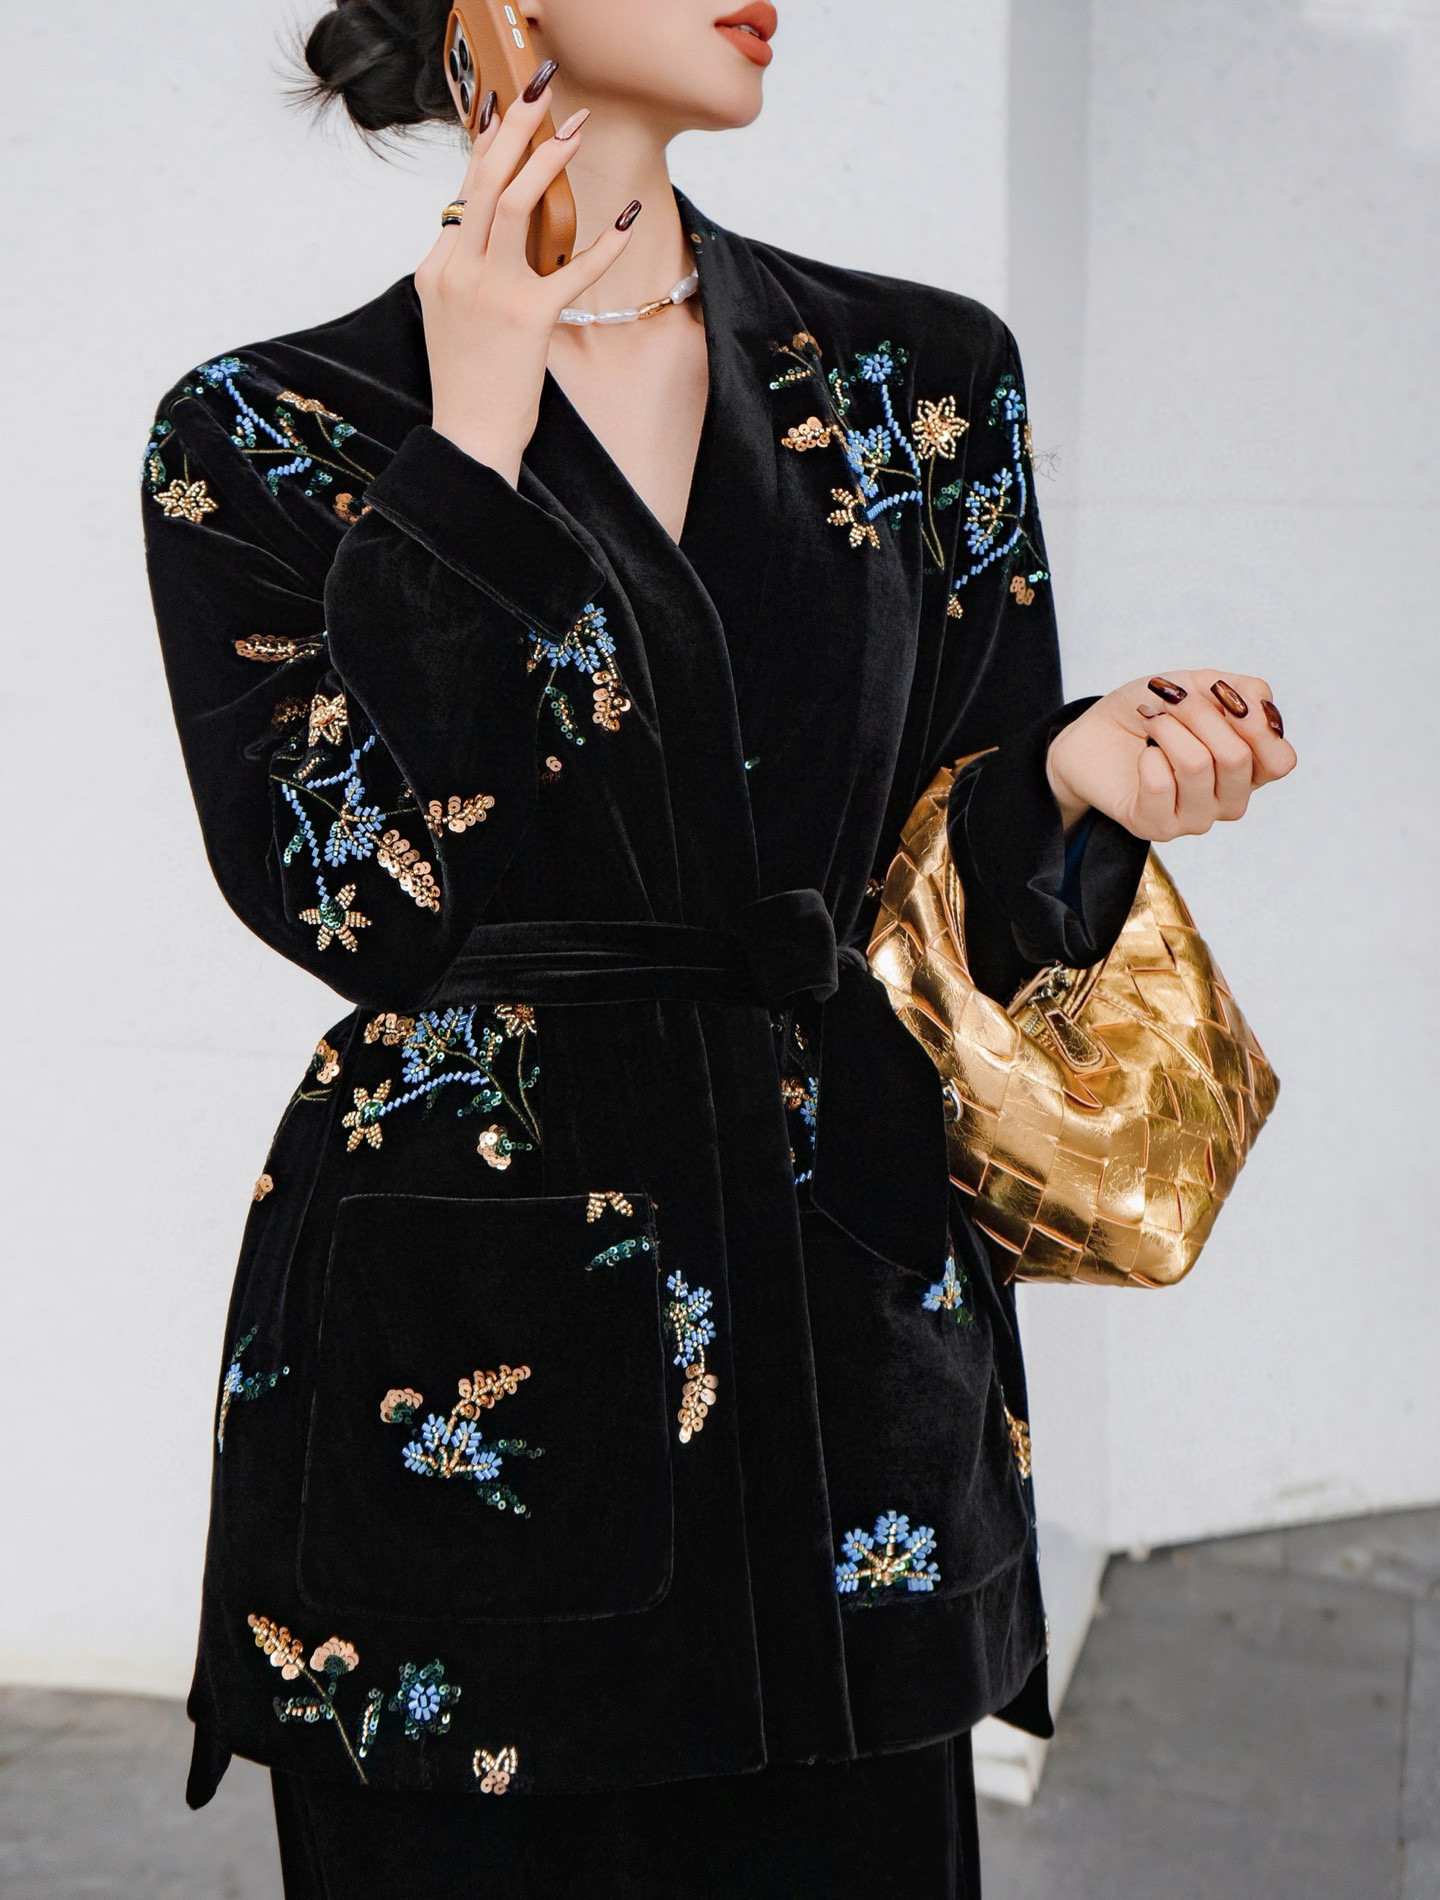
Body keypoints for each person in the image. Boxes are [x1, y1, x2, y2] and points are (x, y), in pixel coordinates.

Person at [141, 1, 1296, 1892]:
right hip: (466, 1353)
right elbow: (347, 897)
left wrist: (1068, 785)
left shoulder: (920, 380)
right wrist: (474, 435)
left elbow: (944, 889)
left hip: (844, 1362)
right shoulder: (265, 430)